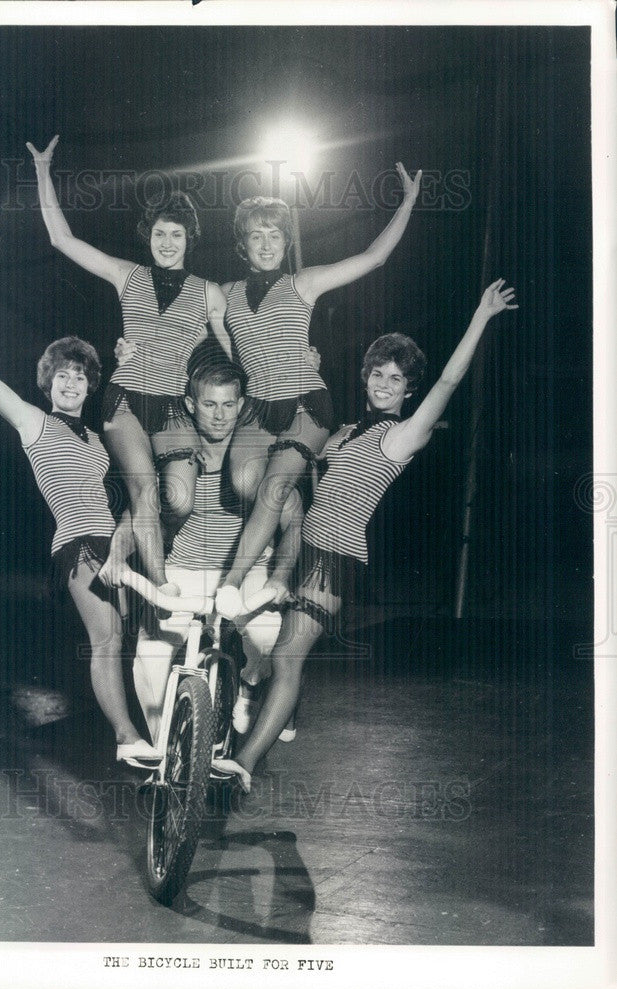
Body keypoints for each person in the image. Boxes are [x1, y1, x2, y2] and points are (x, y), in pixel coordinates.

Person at [213, 279, 518, 791]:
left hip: (335, 559)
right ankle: (282, 711)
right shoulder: (347, 431)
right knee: (250, 636)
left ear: (407, 389)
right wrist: (303, 372)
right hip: (296, 546)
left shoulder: (402, 437)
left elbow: (446, 382)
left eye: (395, 379)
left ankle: (242, 764)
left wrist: (481, 318)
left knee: (287, 656)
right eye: (377, 373)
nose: (383, 383)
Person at [0, 290, 161, 768]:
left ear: (89, 386)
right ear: (48, 385)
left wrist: (126, 363)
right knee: (107, 640)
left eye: (79, 376)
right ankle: (126, 736)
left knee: (132, 641)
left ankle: (157, 738)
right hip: (76, 543)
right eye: (61, 376)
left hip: (115, 540)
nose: (70, 383)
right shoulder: (34, 424)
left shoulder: (95, 438)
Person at [26, 135, 232, 593]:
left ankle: (144, 547)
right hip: (126, 401)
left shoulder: (209, 292)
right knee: (143, 490)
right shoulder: (127, 276)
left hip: (174, 406)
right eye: (159, 233)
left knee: (177, 500)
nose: (166, 242)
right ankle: (159, 582)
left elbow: (230, 359)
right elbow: (62, 239)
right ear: (149, 236)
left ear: (189, 239)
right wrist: (43, 171)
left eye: (176, 234)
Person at [215, 164, 422, 619]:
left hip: (306, 403)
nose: (266, 244)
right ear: (242, 244)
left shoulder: (302, 283)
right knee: (245, 485)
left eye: (274, 236)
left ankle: (230, 586)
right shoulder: (223, 295)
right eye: (256, 236)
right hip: (257, 409)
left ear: (286, 243)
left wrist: (406, 203)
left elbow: (373, 258)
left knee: (272, 487)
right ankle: (293, 516)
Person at [98, 359, 301, 744]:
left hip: (247, 572)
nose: (220, 415)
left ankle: (250, 687)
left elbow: (293, 520)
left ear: (242, 405)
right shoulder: (176, 450)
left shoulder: (258, 454)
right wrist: (116, 555)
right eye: (210, 405)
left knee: (276, 646)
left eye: (229, 405)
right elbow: (140, 511)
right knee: (152, 656)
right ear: (191, 404)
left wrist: (279, 577)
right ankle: (167, 756)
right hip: (186, 569)